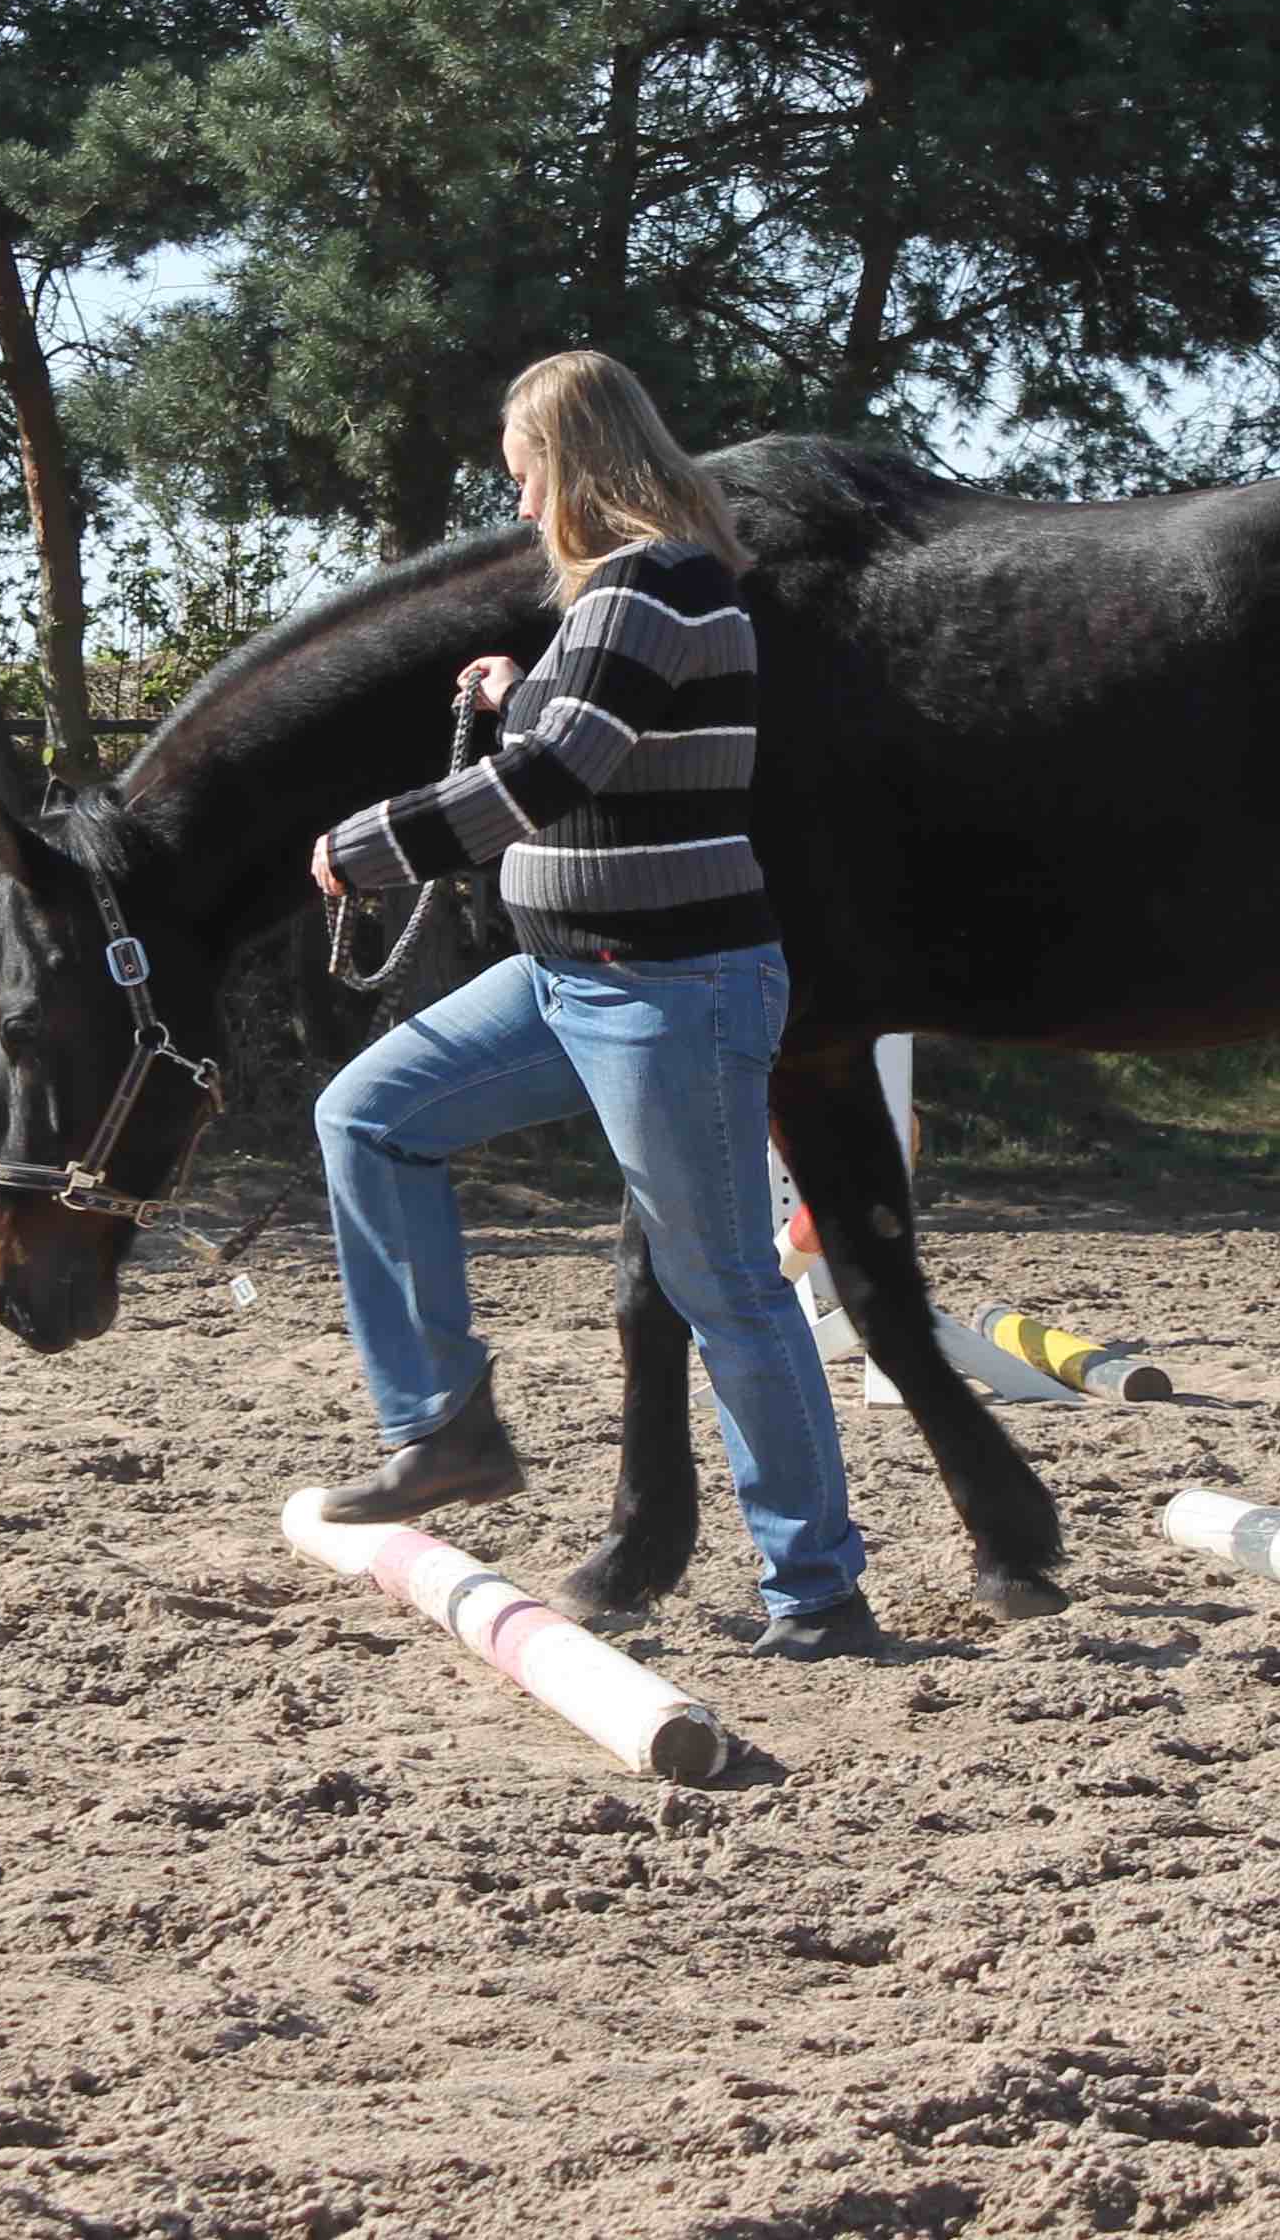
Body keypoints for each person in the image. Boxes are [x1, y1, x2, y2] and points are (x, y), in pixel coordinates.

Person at [305, 350, 878, 1660]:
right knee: (369, 1118)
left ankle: (817, 1592)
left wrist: (370, 843)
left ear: (577, 467)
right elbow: (596, 737)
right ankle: (442, 1428)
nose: (519, 507)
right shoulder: (629, 599)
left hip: (668, 991)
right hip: (570, 978)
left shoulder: (648, 586)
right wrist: (518, 690)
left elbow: (553, 778)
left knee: (726, 1286)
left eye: (526, 478)